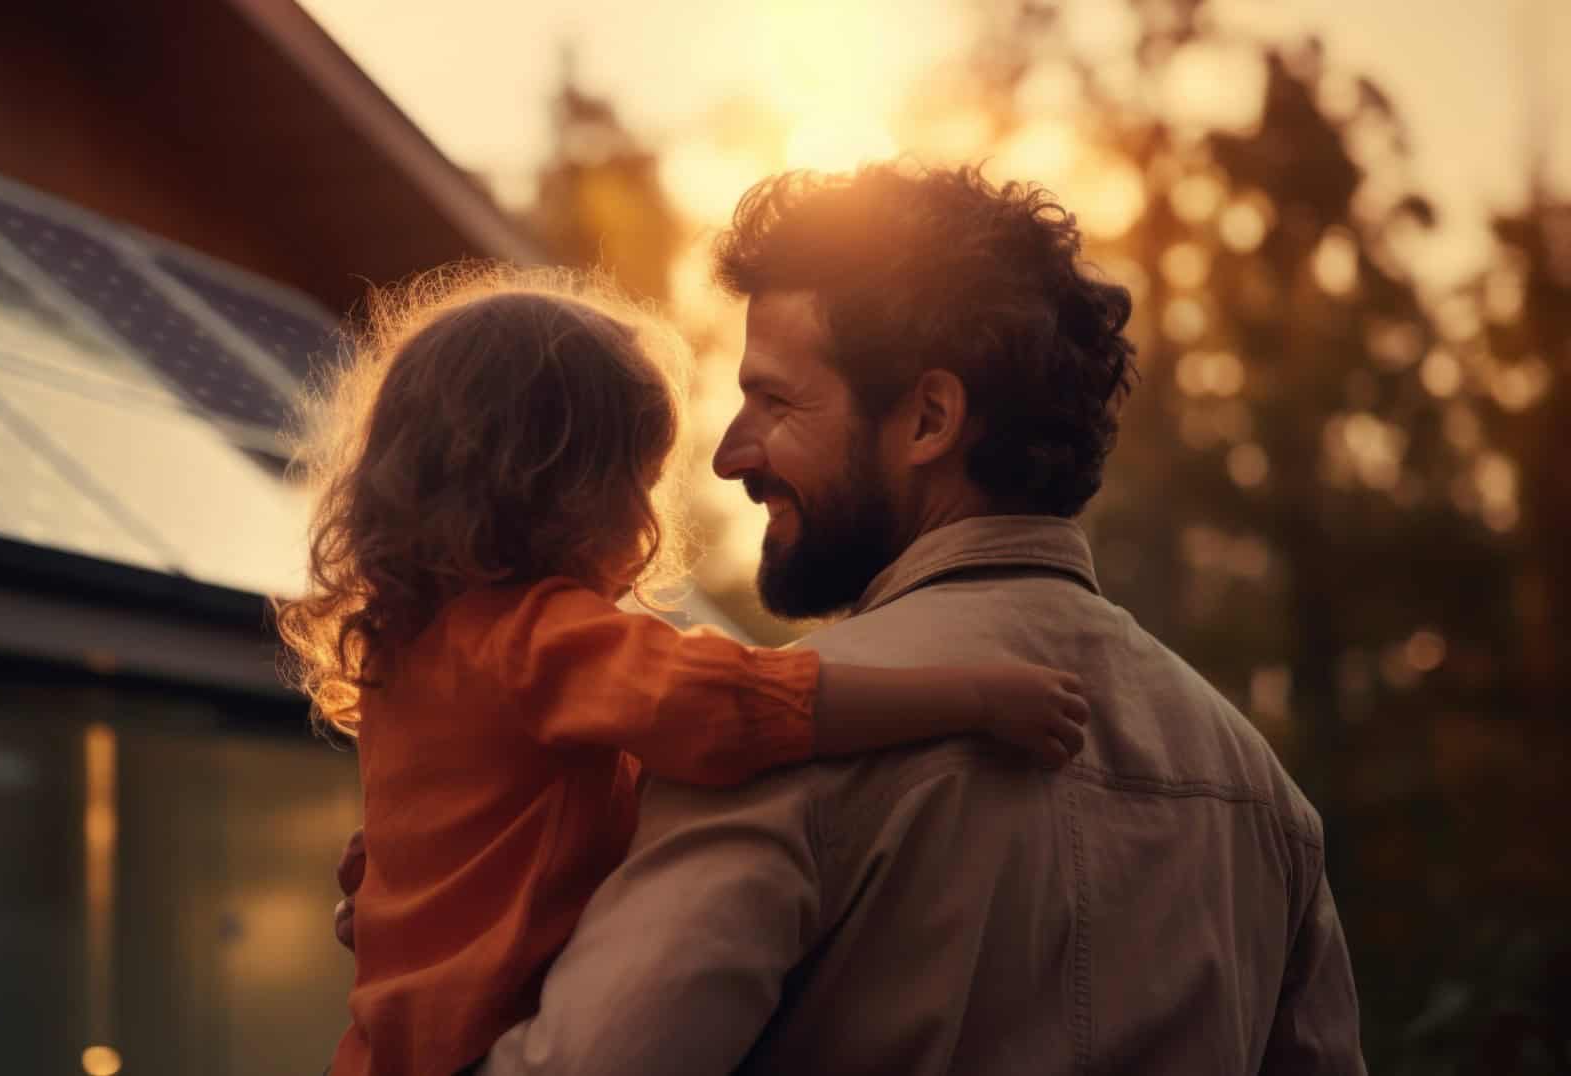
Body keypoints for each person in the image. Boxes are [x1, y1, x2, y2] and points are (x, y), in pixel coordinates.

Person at [342, 164, 1366, 1074]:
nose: (729, 455)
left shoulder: (782, 739)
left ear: (928, 419)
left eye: (775, 401)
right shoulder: (1260, 795)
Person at [276, 265, 1094, 1076]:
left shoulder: (411, 649)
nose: (647, 518)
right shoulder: (540, 639)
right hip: (468, 1045)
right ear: (555, 489)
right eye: (636, 481)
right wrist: (976, 696)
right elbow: (726, 703)